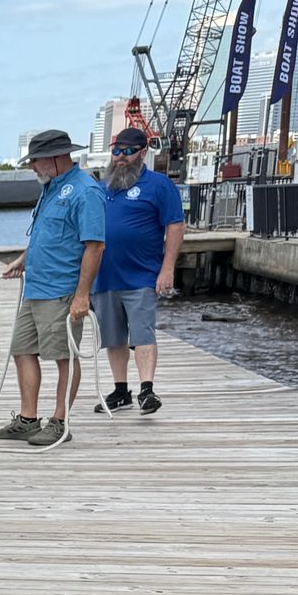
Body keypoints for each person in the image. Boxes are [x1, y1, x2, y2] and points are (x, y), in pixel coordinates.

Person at [0, 128, 106, 450]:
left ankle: (60, 422)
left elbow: (95, 246)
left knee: (64, 358)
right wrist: (23, 259)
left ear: (58, 157)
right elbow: (47, 234)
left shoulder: (85, 192)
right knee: (21, 350)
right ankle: (27, 419)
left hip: (62, 291)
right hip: (36, 287)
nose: (32, 167)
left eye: (36, 161)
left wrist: (82, 295)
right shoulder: (51, 187)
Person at [92, 126, 185, 416]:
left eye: (128, 152)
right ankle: (121, 390)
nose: (121, 157)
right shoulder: (103, 186)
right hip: (104, 275)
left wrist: (167, 268)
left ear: (143, 152)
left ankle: (147, 389)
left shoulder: (158, 185)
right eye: (116, 151)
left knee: (142, 331)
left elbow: (175, 225)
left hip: (141, 275)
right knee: (113, 336)